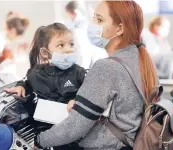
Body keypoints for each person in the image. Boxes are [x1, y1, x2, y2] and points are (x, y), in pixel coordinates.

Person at [34, 1, 158, 150]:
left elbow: (75, 127)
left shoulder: (107, 67)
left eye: (99, 20)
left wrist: (39, 141)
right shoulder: (140, 59)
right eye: (94, 18)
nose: (92, 24)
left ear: (119, 29)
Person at [5, 23, 86, 150]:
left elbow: (93, 92)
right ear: (45, 52)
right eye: (61, 45)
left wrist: (78, 100)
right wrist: (21, 87)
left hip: (73, 135)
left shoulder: (78, 72)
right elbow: (24, 82)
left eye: (71, 44)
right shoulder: (35, 74)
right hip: (45, 135)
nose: (69, 49)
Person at [64, 1, 108, 69]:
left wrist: (80, 73)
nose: (69, 18)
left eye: (68, 15)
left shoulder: (79, 31)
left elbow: (84, 54)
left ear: (74, 13)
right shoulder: (87, 25)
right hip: (101, 62)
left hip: (98, 65)